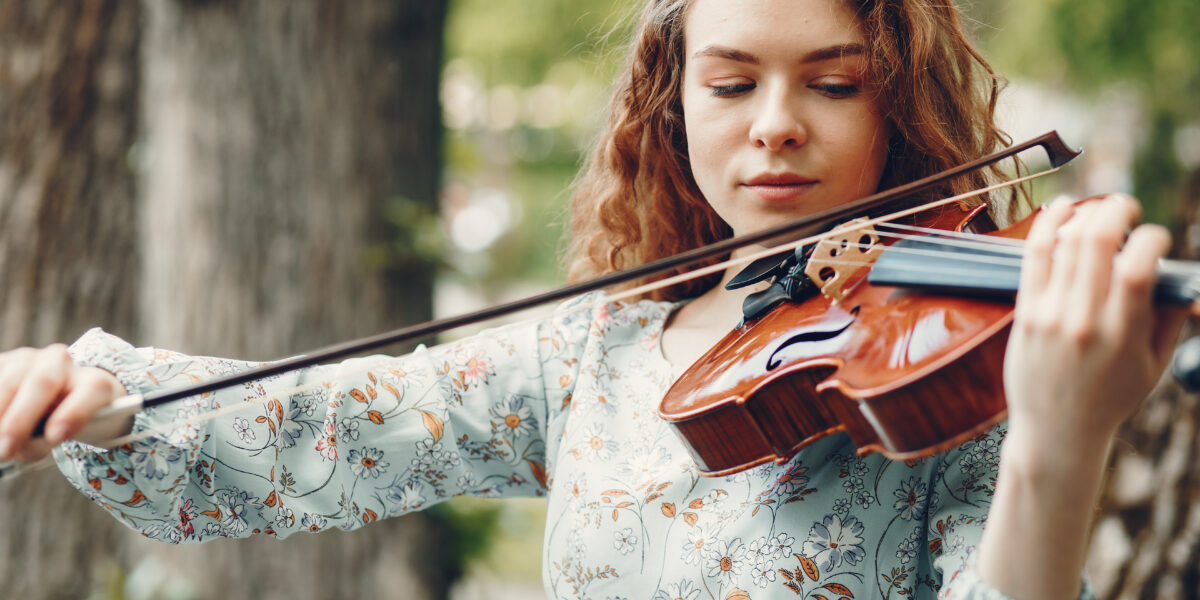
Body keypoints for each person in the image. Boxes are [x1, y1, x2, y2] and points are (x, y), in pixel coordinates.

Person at [0, 0, 1185, 598]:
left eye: (832, 82)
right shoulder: (597, 351)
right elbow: (340, 423)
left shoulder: (947, 379)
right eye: (731, 83)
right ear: (675, 109)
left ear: (892, 106)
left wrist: (1059, 435)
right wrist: (114, 401)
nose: (776, 121)